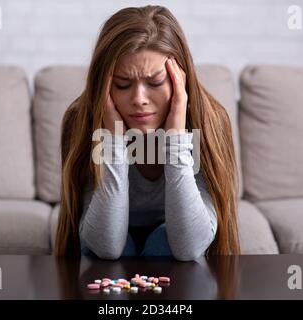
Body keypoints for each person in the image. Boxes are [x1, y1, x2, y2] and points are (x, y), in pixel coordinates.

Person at [54, 5, 240, 260]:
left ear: (180, 78)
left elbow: (189, 247)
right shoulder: (81, 121)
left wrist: (176, 137)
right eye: (122, 84)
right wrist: (114, 139)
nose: (139, 99)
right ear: (103, 85)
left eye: (155, 83)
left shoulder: (209, 122)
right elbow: (106, 246)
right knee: (116, 253)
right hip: (108, 239)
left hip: (175, 239)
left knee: (162, 247)